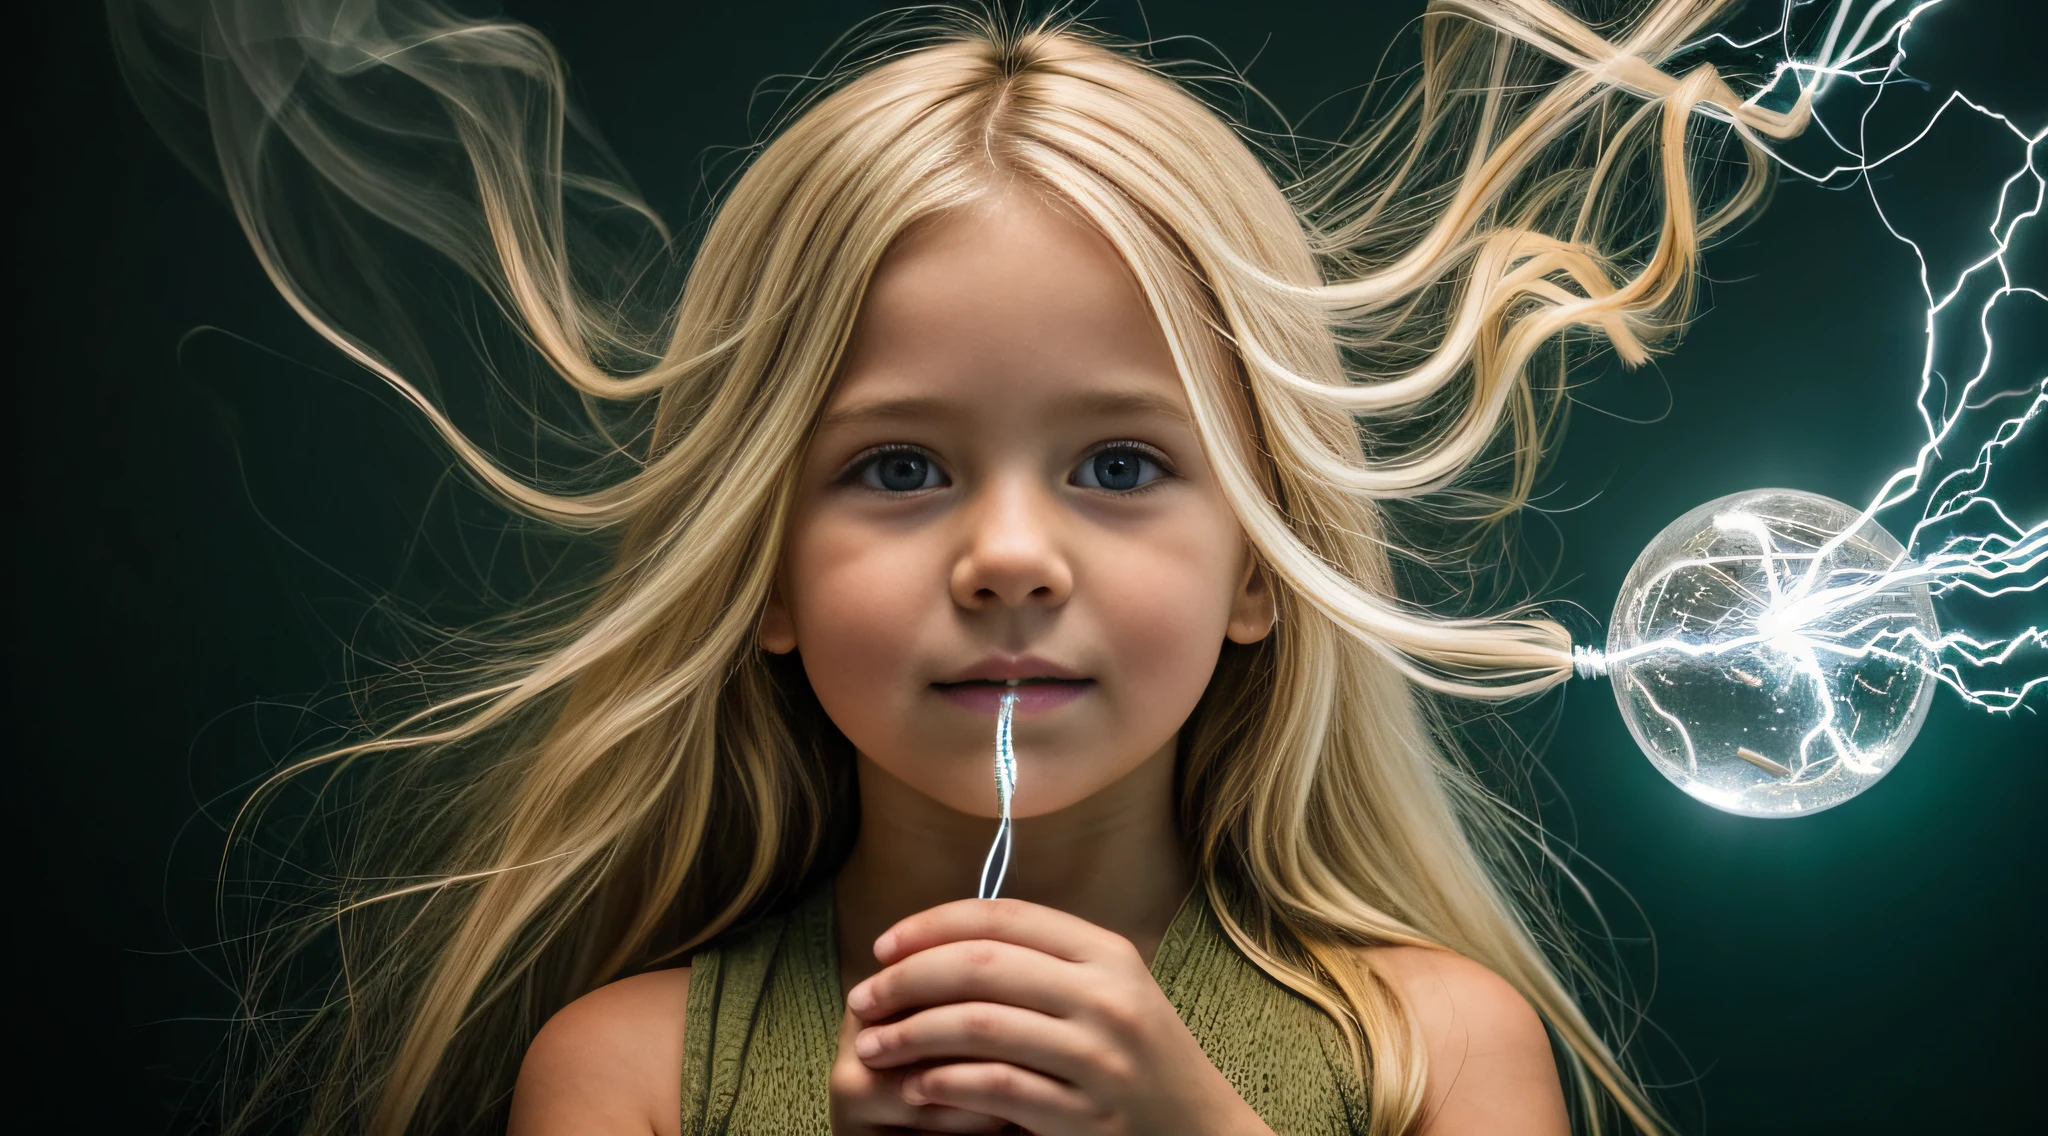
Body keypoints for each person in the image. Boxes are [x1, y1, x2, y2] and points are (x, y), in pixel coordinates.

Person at [110, 1, 1807, 1133]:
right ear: (760, 572)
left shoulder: (1436, 1055)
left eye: (1123, 466)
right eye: (900, 469)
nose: (1008, 557)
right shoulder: (622, 1079)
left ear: (1264, 561)